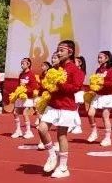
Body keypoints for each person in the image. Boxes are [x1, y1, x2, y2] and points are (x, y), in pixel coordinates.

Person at [38, 40, 85, 178]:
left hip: (66, 106)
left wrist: (60, 84)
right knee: (41, 128)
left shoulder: (75, 70)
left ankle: (63, 167)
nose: (58, 53)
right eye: (58, 50)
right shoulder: (56, 68)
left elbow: (75, 88)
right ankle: (52, 155)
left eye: (61, 50)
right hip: (53, 104)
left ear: (70, 52)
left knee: (61, 135)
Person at [87, 50, 112, 147]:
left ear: (107, 58)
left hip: (108, 96)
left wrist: (102, 83)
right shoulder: (98, 70)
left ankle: (108, 138)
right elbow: (95, 81)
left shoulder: (111, 70)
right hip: (98, 96)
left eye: (101, 57)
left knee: (105, 117)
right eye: (98, 57)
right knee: (90, 113)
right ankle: (94, 132)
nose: (99, 59)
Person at [12, 57, 38, 139]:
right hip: (20, 97)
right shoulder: (21, 74)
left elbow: (34, 87)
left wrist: (26, 91)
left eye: (23, 63)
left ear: (28, 64)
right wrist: (18, 92)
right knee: (15, 112)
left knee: (24, 113)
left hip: (28, 97)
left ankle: (28, 131)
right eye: (21, 63)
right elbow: (18, 85)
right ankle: (18, 130)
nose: (22, 65)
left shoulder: (31, 74)